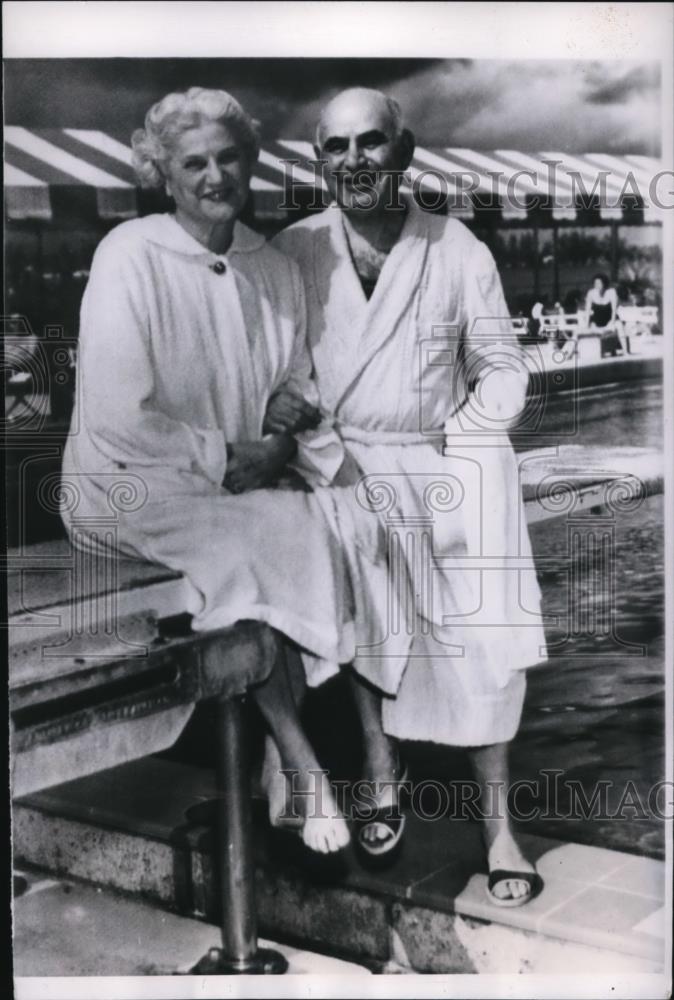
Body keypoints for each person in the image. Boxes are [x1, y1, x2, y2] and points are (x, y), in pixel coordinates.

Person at [60, 87, 401, 855]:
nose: (214, 175)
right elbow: (119, 416)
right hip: (125, 482)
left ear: (247, 163)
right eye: (193, 163)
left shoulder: (271, 265)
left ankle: (305, 760)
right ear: (163, 174)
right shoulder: (130, 255)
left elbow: (292, 383)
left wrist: (281, 442)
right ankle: (301, 759)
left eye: (228, 158)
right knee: (242, 548)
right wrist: (227, 456)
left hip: (235, 485)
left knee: (313, 524)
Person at [272, 87, 547, 904]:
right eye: (336, 147)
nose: (354, 161)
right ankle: (380, 771)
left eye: (371, 143)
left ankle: (500, 825)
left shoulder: (456, 249)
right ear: (319, 159)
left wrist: (467, 444)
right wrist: (327, 456)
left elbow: (501, 366)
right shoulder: (293, 253)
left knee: (486, 638)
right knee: (361, 594)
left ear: (406, 148)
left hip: (440, 458)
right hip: (341, 467)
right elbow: (283, 386)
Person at [585, 272, 622, 354]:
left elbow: (614, 310)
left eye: (599, 283)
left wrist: (612, 322)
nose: (597, 285)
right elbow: (587, 311)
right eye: (595, 283)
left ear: (604, 283)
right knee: (582, 331)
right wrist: (586, 325)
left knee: (619, 326)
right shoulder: (591, 293)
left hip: (609, 319)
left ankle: (626, 352)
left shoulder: (611, 292)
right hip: (597, 320)